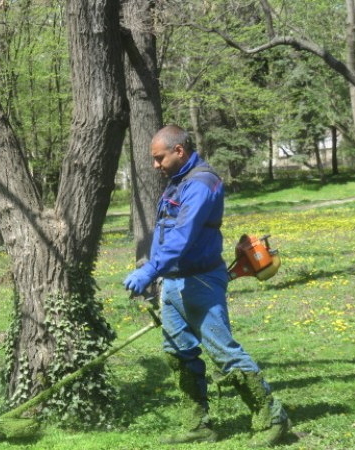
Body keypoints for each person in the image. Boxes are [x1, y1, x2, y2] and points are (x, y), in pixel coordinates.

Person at [123, 125, 290, 446]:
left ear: (179, 151)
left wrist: (151, 270)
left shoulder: (202, 184)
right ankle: (198, 425)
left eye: (159, 158)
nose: (155, 165)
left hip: (200, 281)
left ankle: (272, 418)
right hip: (173, 282)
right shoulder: (178, 183)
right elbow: (166, 233)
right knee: (178, 354)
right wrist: (152, 269)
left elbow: (183, 237)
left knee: (223, 352)